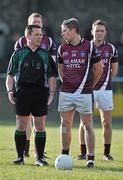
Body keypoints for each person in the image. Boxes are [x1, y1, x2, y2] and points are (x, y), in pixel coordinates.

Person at [6, 24, 57, 166]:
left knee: (40, 126)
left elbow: (52, 76)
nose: (40, 37)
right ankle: (20, 157)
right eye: (36, 34)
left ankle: (39, 158)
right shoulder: (18, 54)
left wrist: (52, 93)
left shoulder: (45, 55)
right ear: (28, 36)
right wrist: (10, 91)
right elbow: (10, 76)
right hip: (22, 93)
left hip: (41, 93)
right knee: (21, 125)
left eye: (41, 35)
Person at [57, 18, 103, 168]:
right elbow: (61, 70)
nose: (62, 33)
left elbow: (99, 69)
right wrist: (68, 83)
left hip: (84, 93)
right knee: (65, 124)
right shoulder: (62, 48)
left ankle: (90, 159)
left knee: (87, 124)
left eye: (64, 30)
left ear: (73, 30)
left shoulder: (90, 47)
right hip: (66, 92)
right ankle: (65, 155)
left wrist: (89, 86)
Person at [77, 19, 118, 161]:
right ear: (92, 32)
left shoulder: (111, 49)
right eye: (97, 30)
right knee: (84, 122)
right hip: (88, 89)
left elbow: (114, 70)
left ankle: (106, 153)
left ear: (105, 33)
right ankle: (83, 152)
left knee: (106, 122)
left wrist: (104, 81)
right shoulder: (86, 47)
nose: (99, 33)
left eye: (102, 30)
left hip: (105, 90)